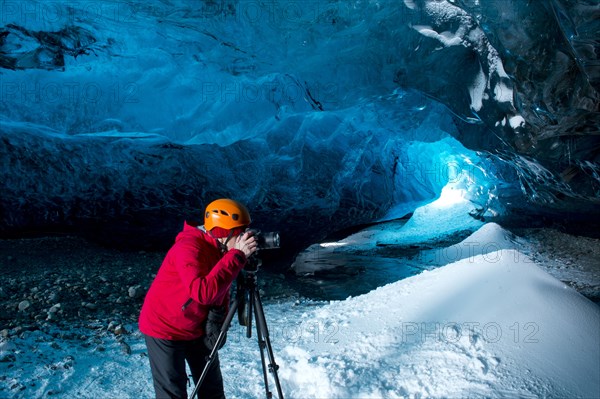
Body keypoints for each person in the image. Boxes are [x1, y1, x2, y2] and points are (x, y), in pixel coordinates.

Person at [139, 198, 258, 399]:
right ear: (222, 232)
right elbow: (202, 293)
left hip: (197, 327)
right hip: (165, 328)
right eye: (239, 232)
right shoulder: (188, 248)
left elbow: (221, 286)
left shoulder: (220, 248)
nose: (243, 237)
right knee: (173, 393)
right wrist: (237, 255)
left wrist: (240, 258)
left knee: (212, 390)